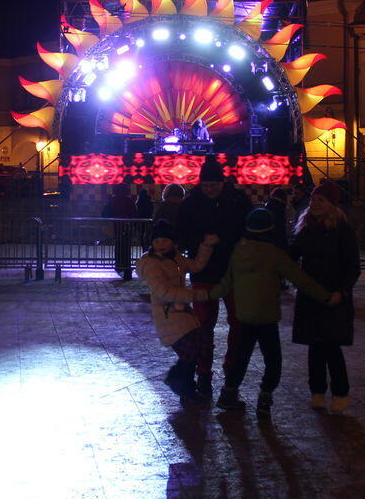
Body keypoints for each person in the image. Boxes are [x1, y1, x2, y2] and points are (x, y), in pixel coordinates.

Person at [207, 208, 339, 416]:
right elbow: (300, 280)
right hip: (267, 316)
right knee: (273, 360)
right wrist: (326, 297)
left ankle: (228, 393)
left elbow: (226, 283)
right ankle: (265, 398)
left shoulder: (238, 251)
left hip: (245, 316)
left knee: (241, 357)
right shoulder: (274, 254)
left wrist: (205, 295)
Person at [176, 157, 253, 399]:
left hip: (233, 272)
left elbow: (247, 228)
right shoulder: (192, 203)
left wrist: (222, 238)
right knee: (203, 325)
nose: (209, 189)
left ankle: (231, 372)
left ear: (222, 182)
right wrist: (200, 243)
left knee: (237, 323)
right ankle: (204, 373)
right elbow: (182, 232)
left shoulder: (237, 200)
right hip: (205, 272)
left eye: (213, 185)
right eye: (206, 185)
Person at [288, 181, 360, 413]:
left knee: (331, 345)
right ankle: (317, 391)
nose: (315, 203)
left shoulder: (341, 230)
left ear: (331, 204)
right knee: (315, 345)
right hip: (310, 294)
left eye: (321, 200)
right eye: (313, 199)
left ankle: (340, 392)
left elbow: (352, 265)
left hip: (333, 294)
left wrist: (343, 291)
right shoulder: (306, 227)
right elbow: (292, 255)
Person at [135, 220, 218, 405]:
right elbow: (164, 292)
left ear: (173, 242)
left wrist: (206, 246)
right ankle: (177, 380)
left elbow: (196, 266)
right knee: (190, 350)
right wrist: (197, 295)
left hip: (181, 313)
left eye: (165, 240)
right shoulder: (152, 264)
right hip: (167, 315)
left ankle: (185, 389)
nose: (161, 244)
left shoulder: (176, 258)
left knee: (197, 348)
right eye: (157, 241)